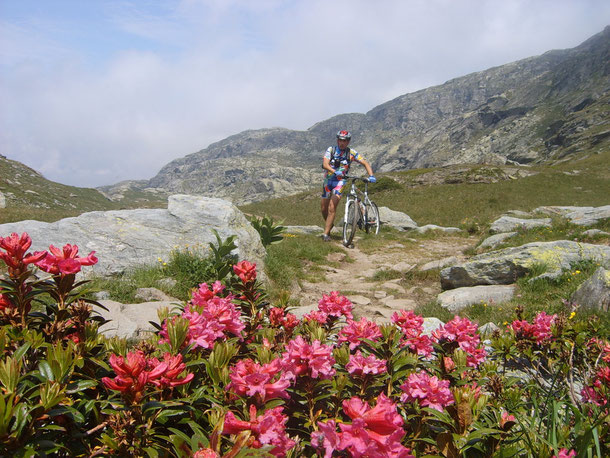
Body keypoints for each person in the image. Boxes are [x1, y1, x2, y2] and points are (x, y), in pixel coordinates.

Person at [320, 130, 376, 241]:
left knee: (332, 207)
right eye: (340, 140)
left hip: (340, 182)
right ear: (337, 140)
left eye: (344, 141)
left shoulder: (351, 153)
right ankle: (330, 226)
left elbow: (364, 162)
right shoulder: (331, 150)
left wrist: (371, 175)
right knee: (323, 209)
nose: (342, 143)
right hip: (328, 181)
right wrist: (333, 171)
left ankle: (326, 234)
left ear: (348, 141)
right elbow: (325, 164)